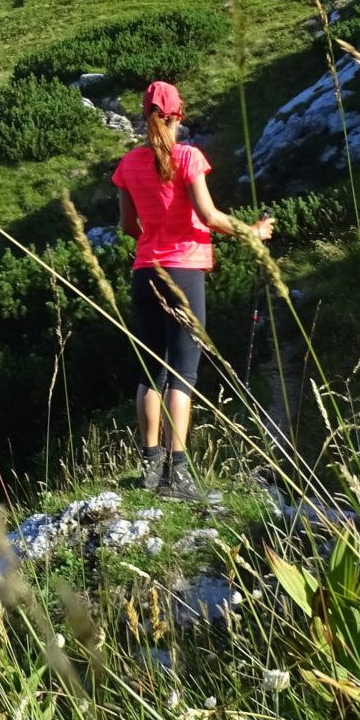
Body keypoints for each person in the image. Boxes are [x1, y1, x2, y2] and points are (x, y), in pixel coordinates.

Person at [111, 79, 274, 500]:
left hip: (145, 270)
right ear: (177, 115)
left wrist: (154, 236)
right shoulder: (188, 157)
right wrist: (251, 231)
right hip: (184, 271)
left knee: (151, 370)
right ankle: (177, 476)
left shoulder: (128, 164)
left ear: (144, 114)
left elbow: (129, 226)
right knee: (183, 373)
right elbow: (209, 214)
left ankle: (149, 468)